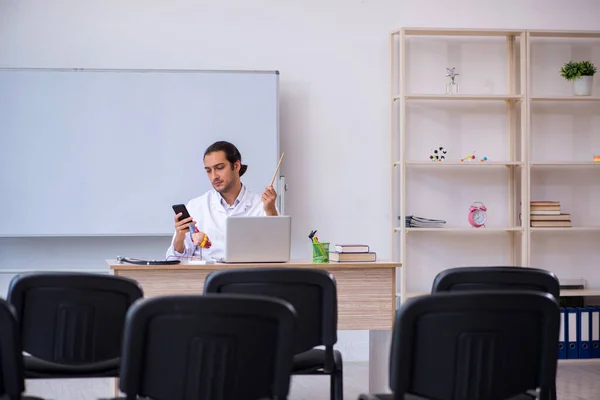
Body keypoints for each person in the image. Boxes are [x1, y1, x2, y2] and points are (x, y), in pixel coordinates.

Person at [166, 141, 279, 261]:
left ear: (236, 166)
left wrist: (271, 212)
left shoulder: (263, 205)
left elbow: (277, 253)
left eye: (219, 168)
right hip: (208, 277)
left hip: (247, 276)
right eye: (209, 171)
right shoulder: (196, 206)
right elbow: (173, 259)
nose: (214, 176)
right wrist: (180, 237)